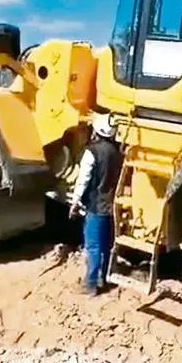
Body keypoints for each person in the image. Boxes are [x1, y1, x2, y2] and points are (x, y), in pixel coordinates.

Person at [69, 113, 123, 297]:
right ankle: (103, 278)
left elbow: (83, 179)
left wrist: (75, 201)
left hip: (96, 206)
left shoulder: (92, 152)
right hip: (112, 206)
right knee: (106, 245)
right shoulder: (118, 153)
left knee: (93, 246)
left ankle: (91, 284)